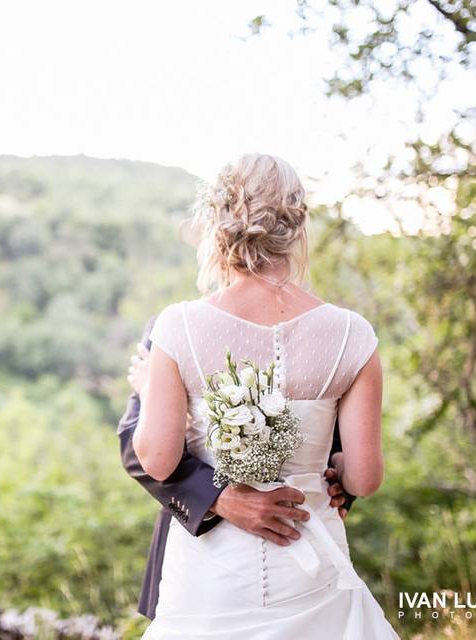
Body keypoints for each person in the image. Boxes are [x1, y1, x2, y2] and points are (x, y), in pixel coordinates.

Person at [118, 154, 398, 638]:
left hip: (213, 579)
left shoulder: (179, 326)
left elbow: (157, 460)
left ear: (217, 224)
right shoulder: (352, 334)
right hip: (311, 563)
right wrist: (337, 470)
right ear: (298, 226)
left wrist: (148, 393)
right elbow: (366, 477)